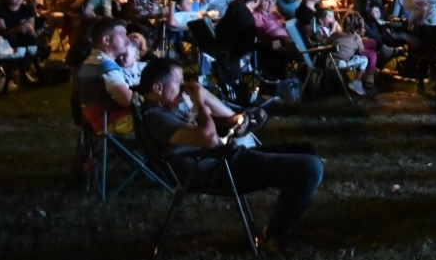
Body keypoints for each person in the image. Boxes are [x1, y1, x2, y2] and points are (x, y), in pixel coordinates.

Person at [135, 57, 324, 247]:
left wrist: (207, 98)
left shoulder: (167, 108)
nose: (183, 86)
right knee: (309, 168)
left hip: (224, 159)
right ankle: (273, 236)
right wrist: (199, 102)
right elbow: (209, 138)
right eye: (178, 82)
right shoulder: (156, 118)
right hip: (216, 171)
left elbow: (219, 121)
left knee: (305, 150)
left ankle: (288, 214)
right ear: (158, 88)